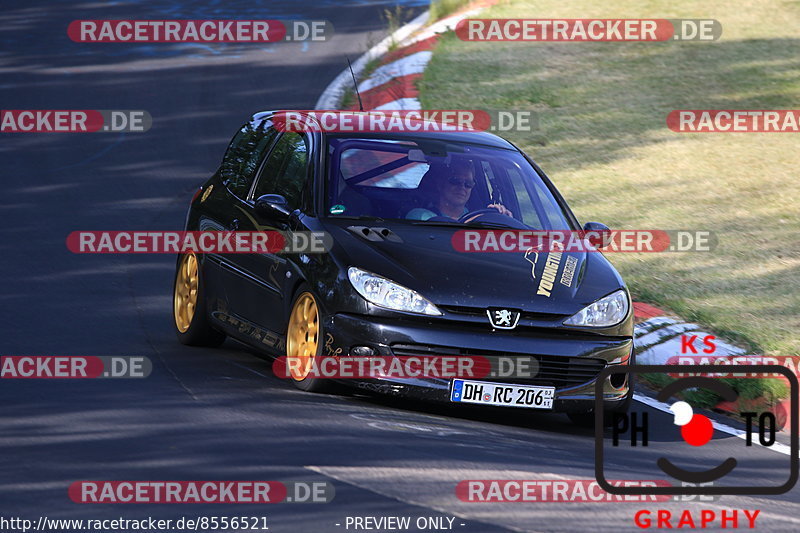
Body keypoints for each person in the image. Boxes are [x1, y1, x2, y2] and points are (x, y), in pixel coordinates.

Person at [405, 159, 511, 220]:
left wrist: (500, 217)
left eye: (468, 184)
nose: (462, 187)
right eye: (455, 181)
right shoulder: (420, 216)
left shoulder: (480, 216)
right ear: (440, 185)